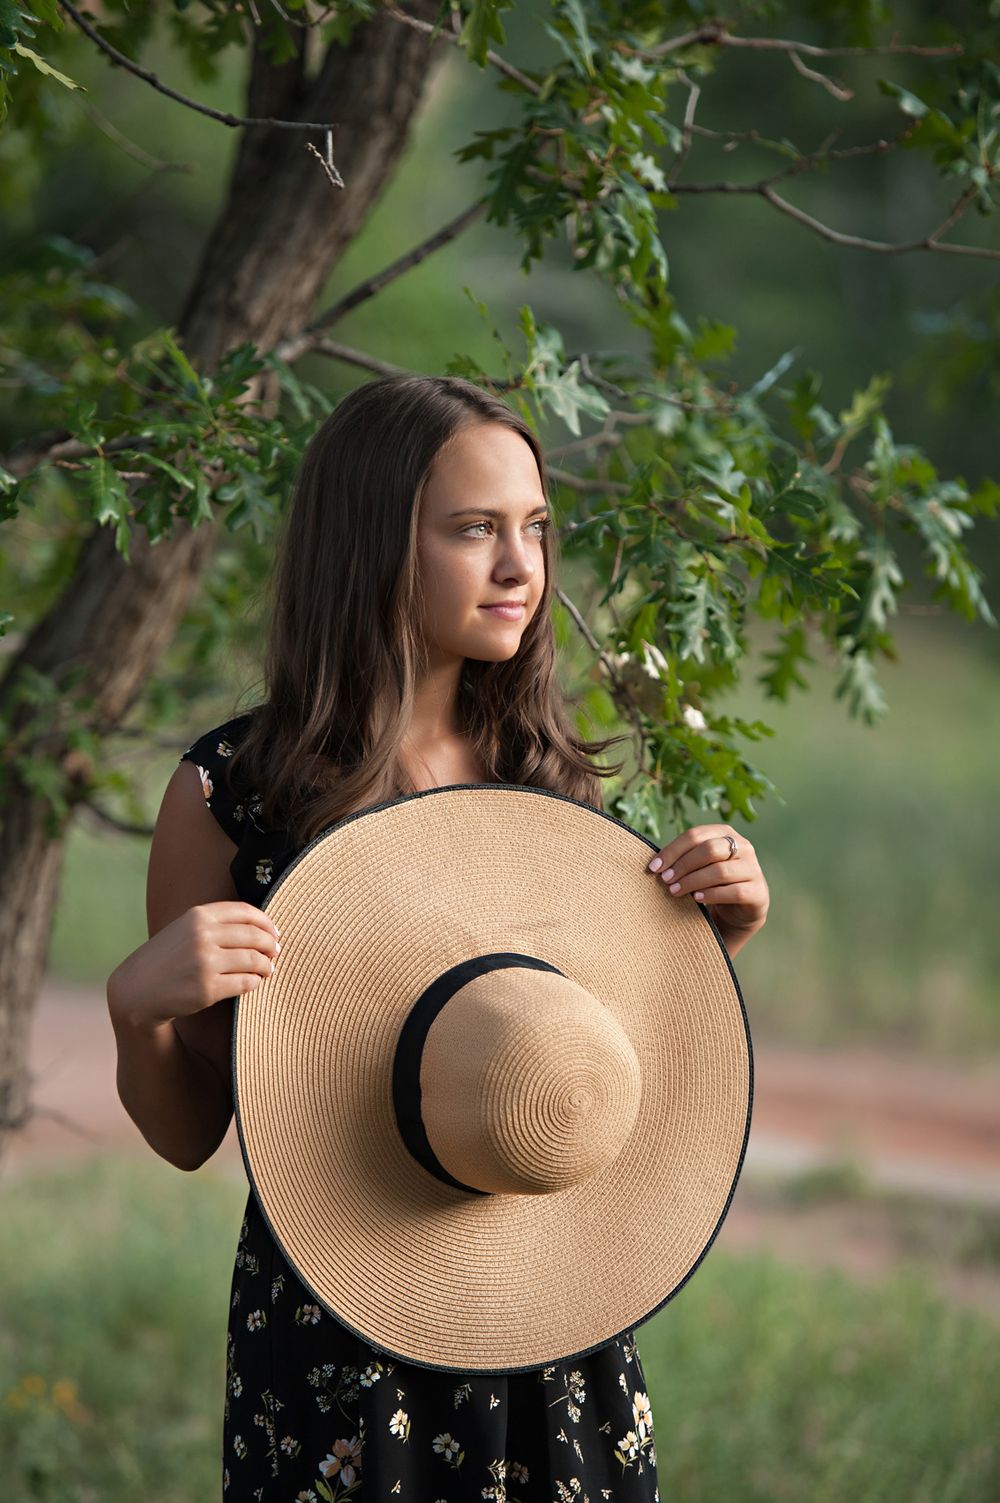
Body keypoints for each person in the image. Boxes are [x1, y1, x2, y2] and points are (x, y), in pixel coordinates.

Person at [106, 373, 768, 1502]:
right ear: (370, 546)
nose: (522, 571)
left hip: (552, 1312)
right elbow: (190, 1133)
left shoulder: (549, 782)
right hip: (335, 1321)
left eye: (535, 530)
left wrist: (708, 952)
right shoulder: (237, 796)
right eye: (474, 531)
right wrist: (140, 1013)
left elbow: (570, 1079)